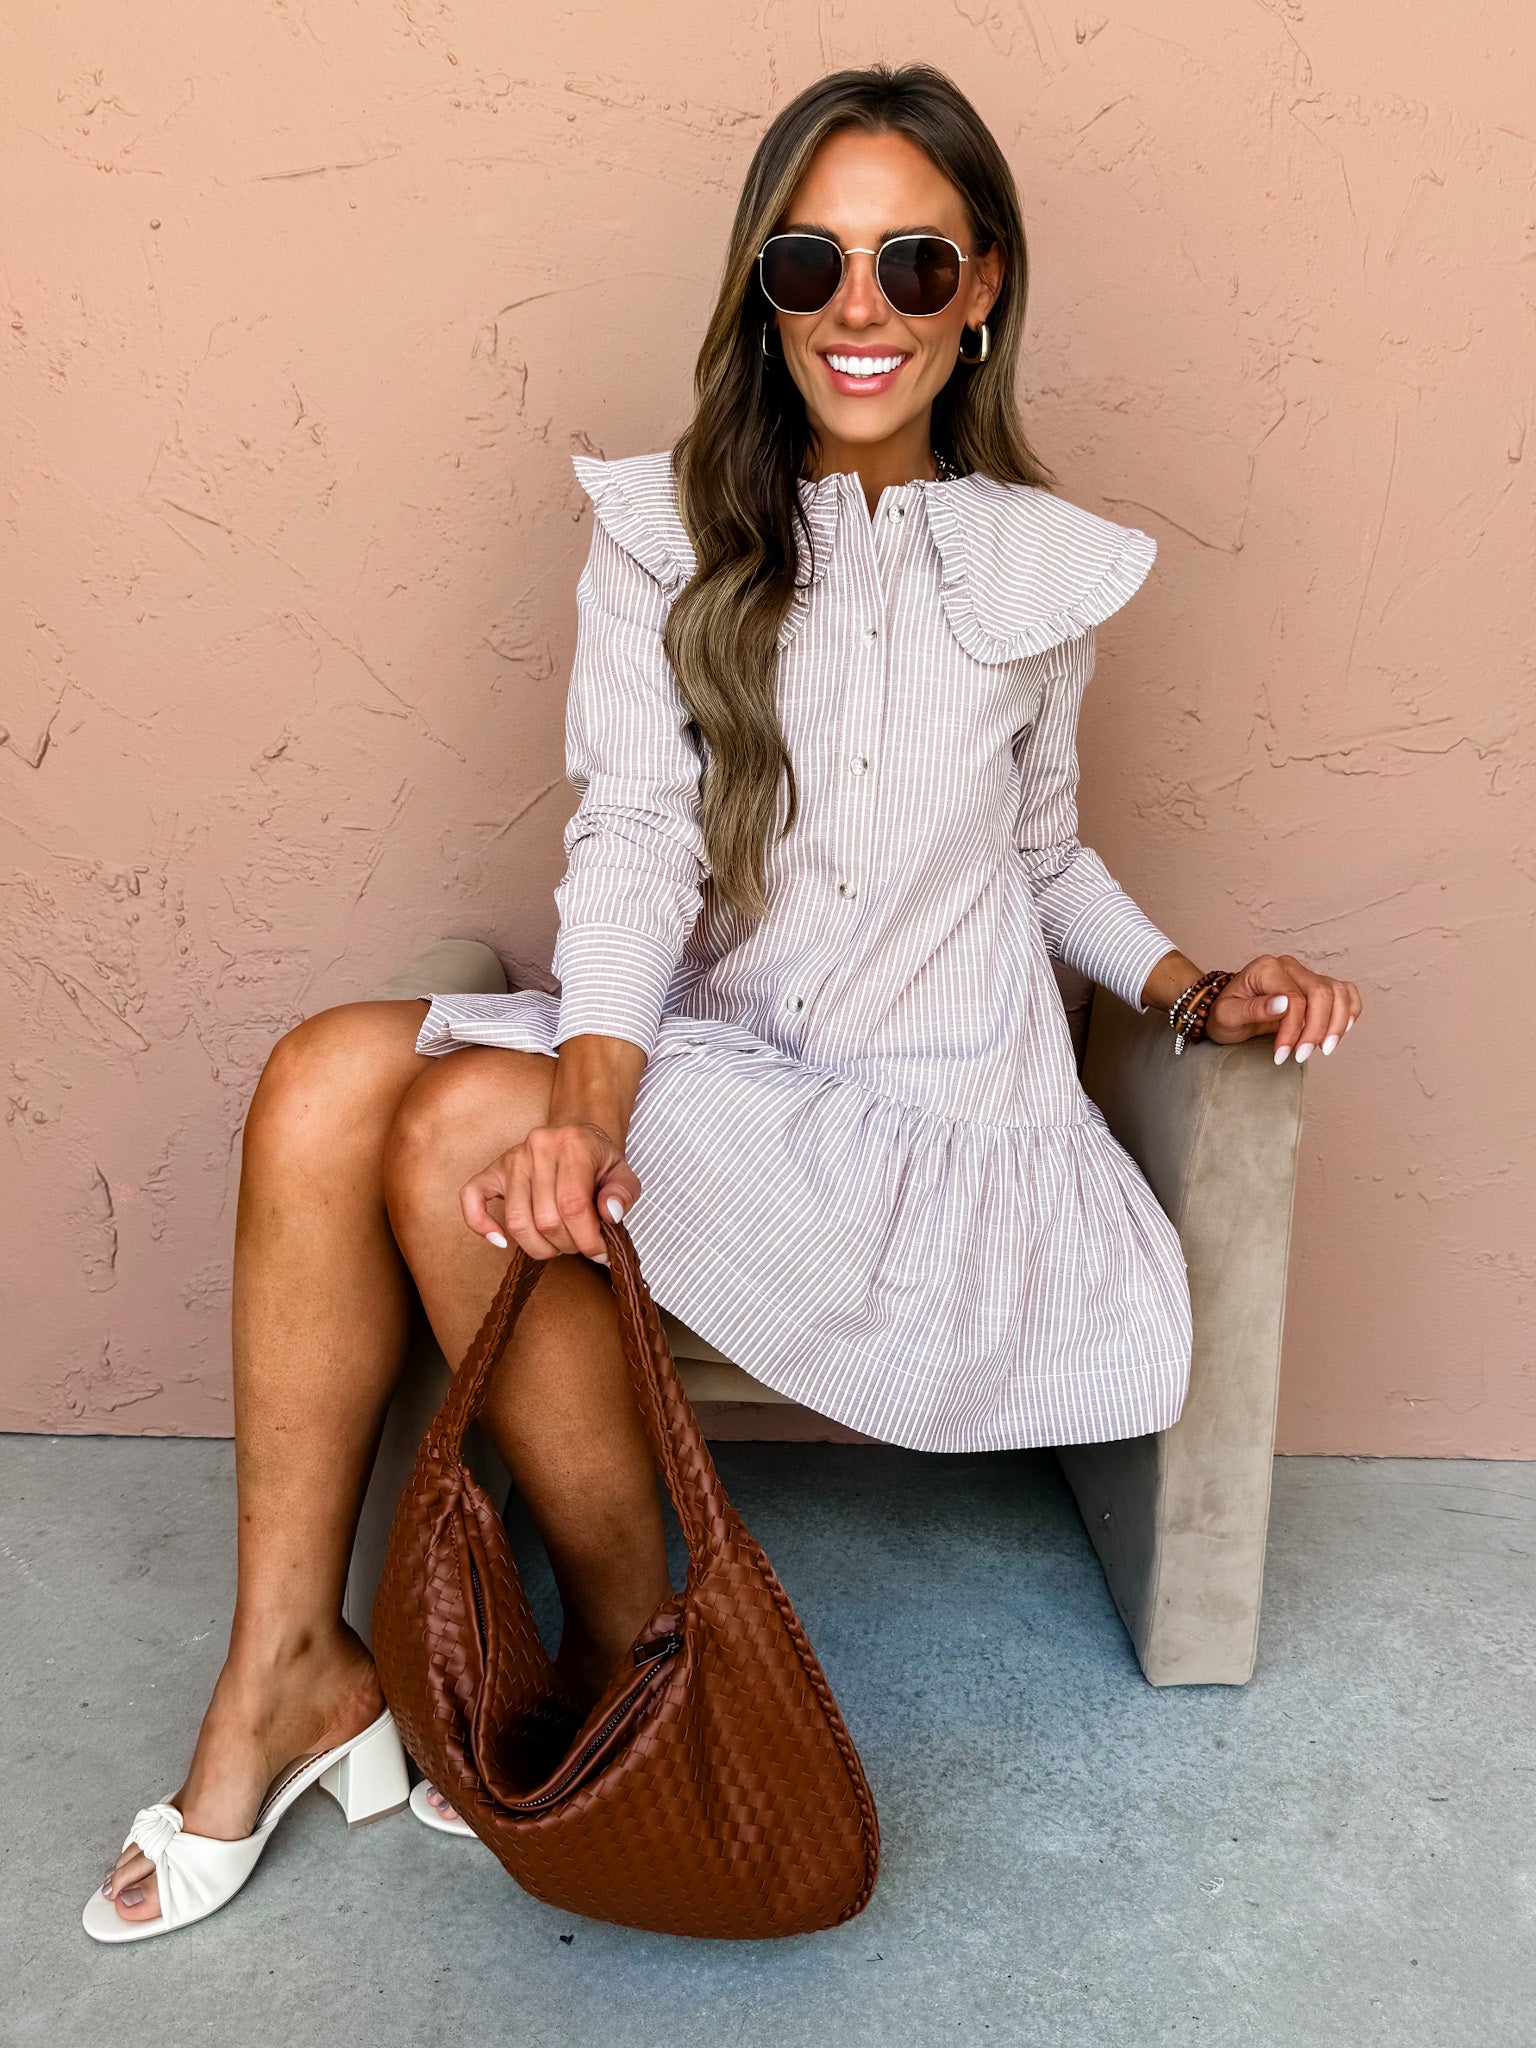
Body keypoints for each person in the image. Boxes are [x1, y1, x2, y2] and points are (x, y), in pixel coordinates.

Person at [88, 62, 1361, 1941]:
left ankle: (632, 1646)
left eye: (914, 262)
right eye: (809, 262)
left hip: (930, 1127)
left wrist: (1197, 991)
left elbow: (1042, 856)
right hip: (725, 1074)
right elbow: (632, 846)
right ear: (762, 290)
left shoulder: (1041, 572)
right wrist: (599, 1101)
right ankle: (289, 1666)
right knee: (317, 1078)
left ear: (983, 287)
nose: (862, 308)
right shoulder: (666, 533)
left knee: (454, 1121)